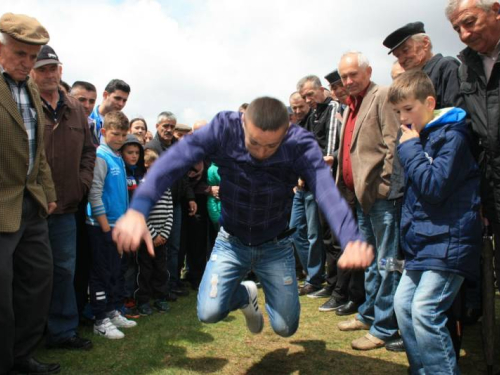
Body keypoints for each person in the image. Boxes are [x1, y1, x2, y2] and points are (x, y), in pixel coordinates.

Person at [112, 96, 373, 337]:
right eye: (255, 143)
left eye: (271, 146)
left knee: (285, 327)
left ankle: (269, 300)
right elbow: (174, 161)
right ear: (243, 124)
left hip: (275, 244)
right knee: (208, 312)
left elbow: (325, 189)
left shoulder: (300, 144)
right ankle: (244, 296)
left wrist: (350, 238)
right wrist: (138, 209)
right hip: (231, 241)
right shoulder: (224, 129)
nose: (261, 152)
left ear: (286, 132)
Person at [389, 69, 481, 375]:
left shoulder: (451, 136)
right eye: (398, 111)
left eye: (409, 109)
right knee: (403, 307)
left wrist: (410, 149)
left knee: (425, 310)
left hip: (450, 240)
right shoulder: (420, 137)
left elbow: (433, 187)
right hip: (424, 243)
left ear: (430, 102)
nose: (403, 118)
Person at [0, 13, 60, 375]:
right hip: (1, 205)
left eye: (33, 56)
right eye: (21, 54)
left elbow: (37, 148)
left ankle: (22, 356)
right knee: (1, 296)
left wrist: (47, 192)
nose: (28, 63)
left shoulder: (32, 88)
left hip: (32, 204)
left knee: (38, 282)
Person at [30, 44, 96, 351]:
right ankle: (28, 337)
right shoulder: (22, 103)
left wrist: (82, 183)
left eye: (52, 68)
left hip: (67, 207)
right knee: (30, 274)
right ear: (32, 70)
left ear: (61, 70)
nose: (48, 74)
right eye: (41, 68)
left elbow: (89, 150)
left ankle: (62, 332)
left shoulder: (75, 108)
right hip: (29, 206)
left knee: (64, 270)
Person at [336, 51, 402, 351]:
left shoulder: (383, 94)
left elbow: (394, 143)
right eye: (344, 76)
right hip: (361, 199)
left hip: (380, 198)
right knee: (372, 263)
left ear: (368, 71)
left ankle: (386, 327)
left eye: (353, 75)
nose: (348, 81)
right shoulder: (351, 105)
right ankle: (370, 314)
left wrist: (386, 187)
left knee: (390, 263)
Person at [447, 0, 500, 301]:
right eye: (457, 29)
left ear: (495, 9)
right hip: (492, 187)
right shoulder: (467, 66)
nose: (464, 34)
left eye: (469, 22)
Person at [87, 111, 138, 340]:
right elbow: (94, 194)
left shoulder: (117, 156)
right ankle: (99, 320)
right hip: (100, 227)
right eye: (115, 134)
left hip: (117, 226)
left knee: (114, 272)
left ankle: (112, 310)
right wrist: (106, 227)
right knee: (100, 273)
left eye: (123, 135)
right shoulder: (101, 156)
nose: (119, 138)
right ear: (104, 131)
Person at [146, 111, 196, 297]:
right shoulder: (151, 148)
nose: (168, 130)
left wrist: (190, 197)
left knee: (174, 246)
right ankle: (157, 287)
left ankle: (172, 282)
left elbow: (184, 177)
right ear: (157, 126)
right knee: (158, 247)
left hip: (175, 204)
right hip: (156, 206)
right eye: (165, 126)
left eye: (171, 127)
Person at [383, 21, 461, 109]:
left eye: (405, 50)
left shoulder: (446, 66)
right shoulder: (415, 79)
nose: (401, 60)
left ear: (425, 43)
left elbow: (456, 113)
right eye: (397, 56)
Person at [135, 153, 174, 315]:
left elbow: (170, 210)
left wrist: (164, 233)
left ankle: (160, 297)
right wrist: (153, 235)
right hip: (146, 239)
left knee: (161, 269)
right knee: (145, 270)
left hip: (162, 239)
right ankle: (143, 300)